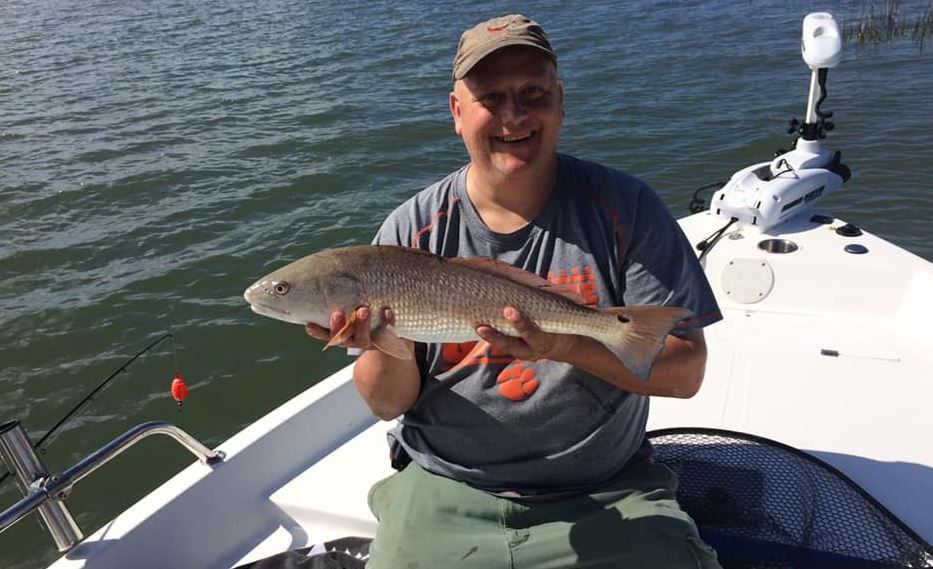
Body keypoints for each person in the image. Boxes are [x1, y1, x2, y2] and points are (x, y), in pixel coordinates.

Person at [306, 14, 723, 569]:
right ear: (457, 112)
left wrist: (561, 344)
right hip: (448, 487)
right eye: (491, 97)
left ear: (560, 100)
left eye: (533, 92)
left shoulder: (626, 209)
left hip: (604, 489)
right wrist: (388, 342)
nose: (514, 115)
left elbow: (684, 373)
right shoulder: (409, 233)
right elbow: (386, 404)